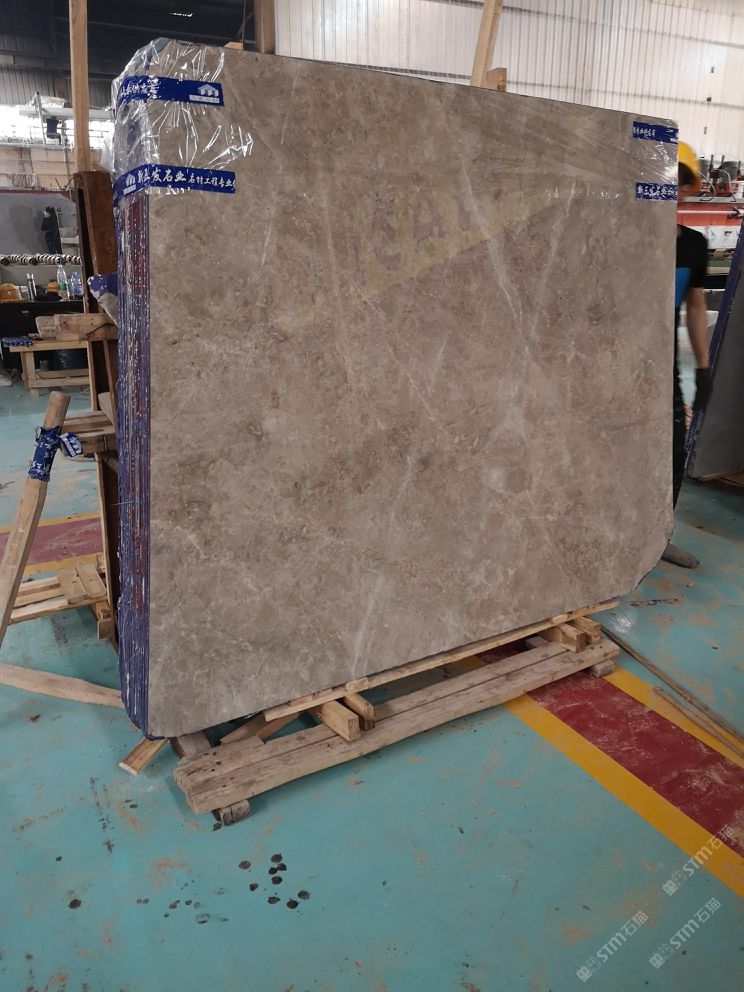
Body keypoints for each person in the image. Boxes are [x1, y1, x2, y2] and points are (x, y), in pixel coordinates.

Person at [662, 141, 710, 569]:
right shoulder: (620, 236)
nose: (670, 187)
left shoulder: (693, 245)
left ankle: (657, 538)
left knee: (672, 452)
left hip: (663, 368)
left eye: (678, 180)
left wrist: (703, 366)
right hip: (612, 366)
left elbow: (695, 304)